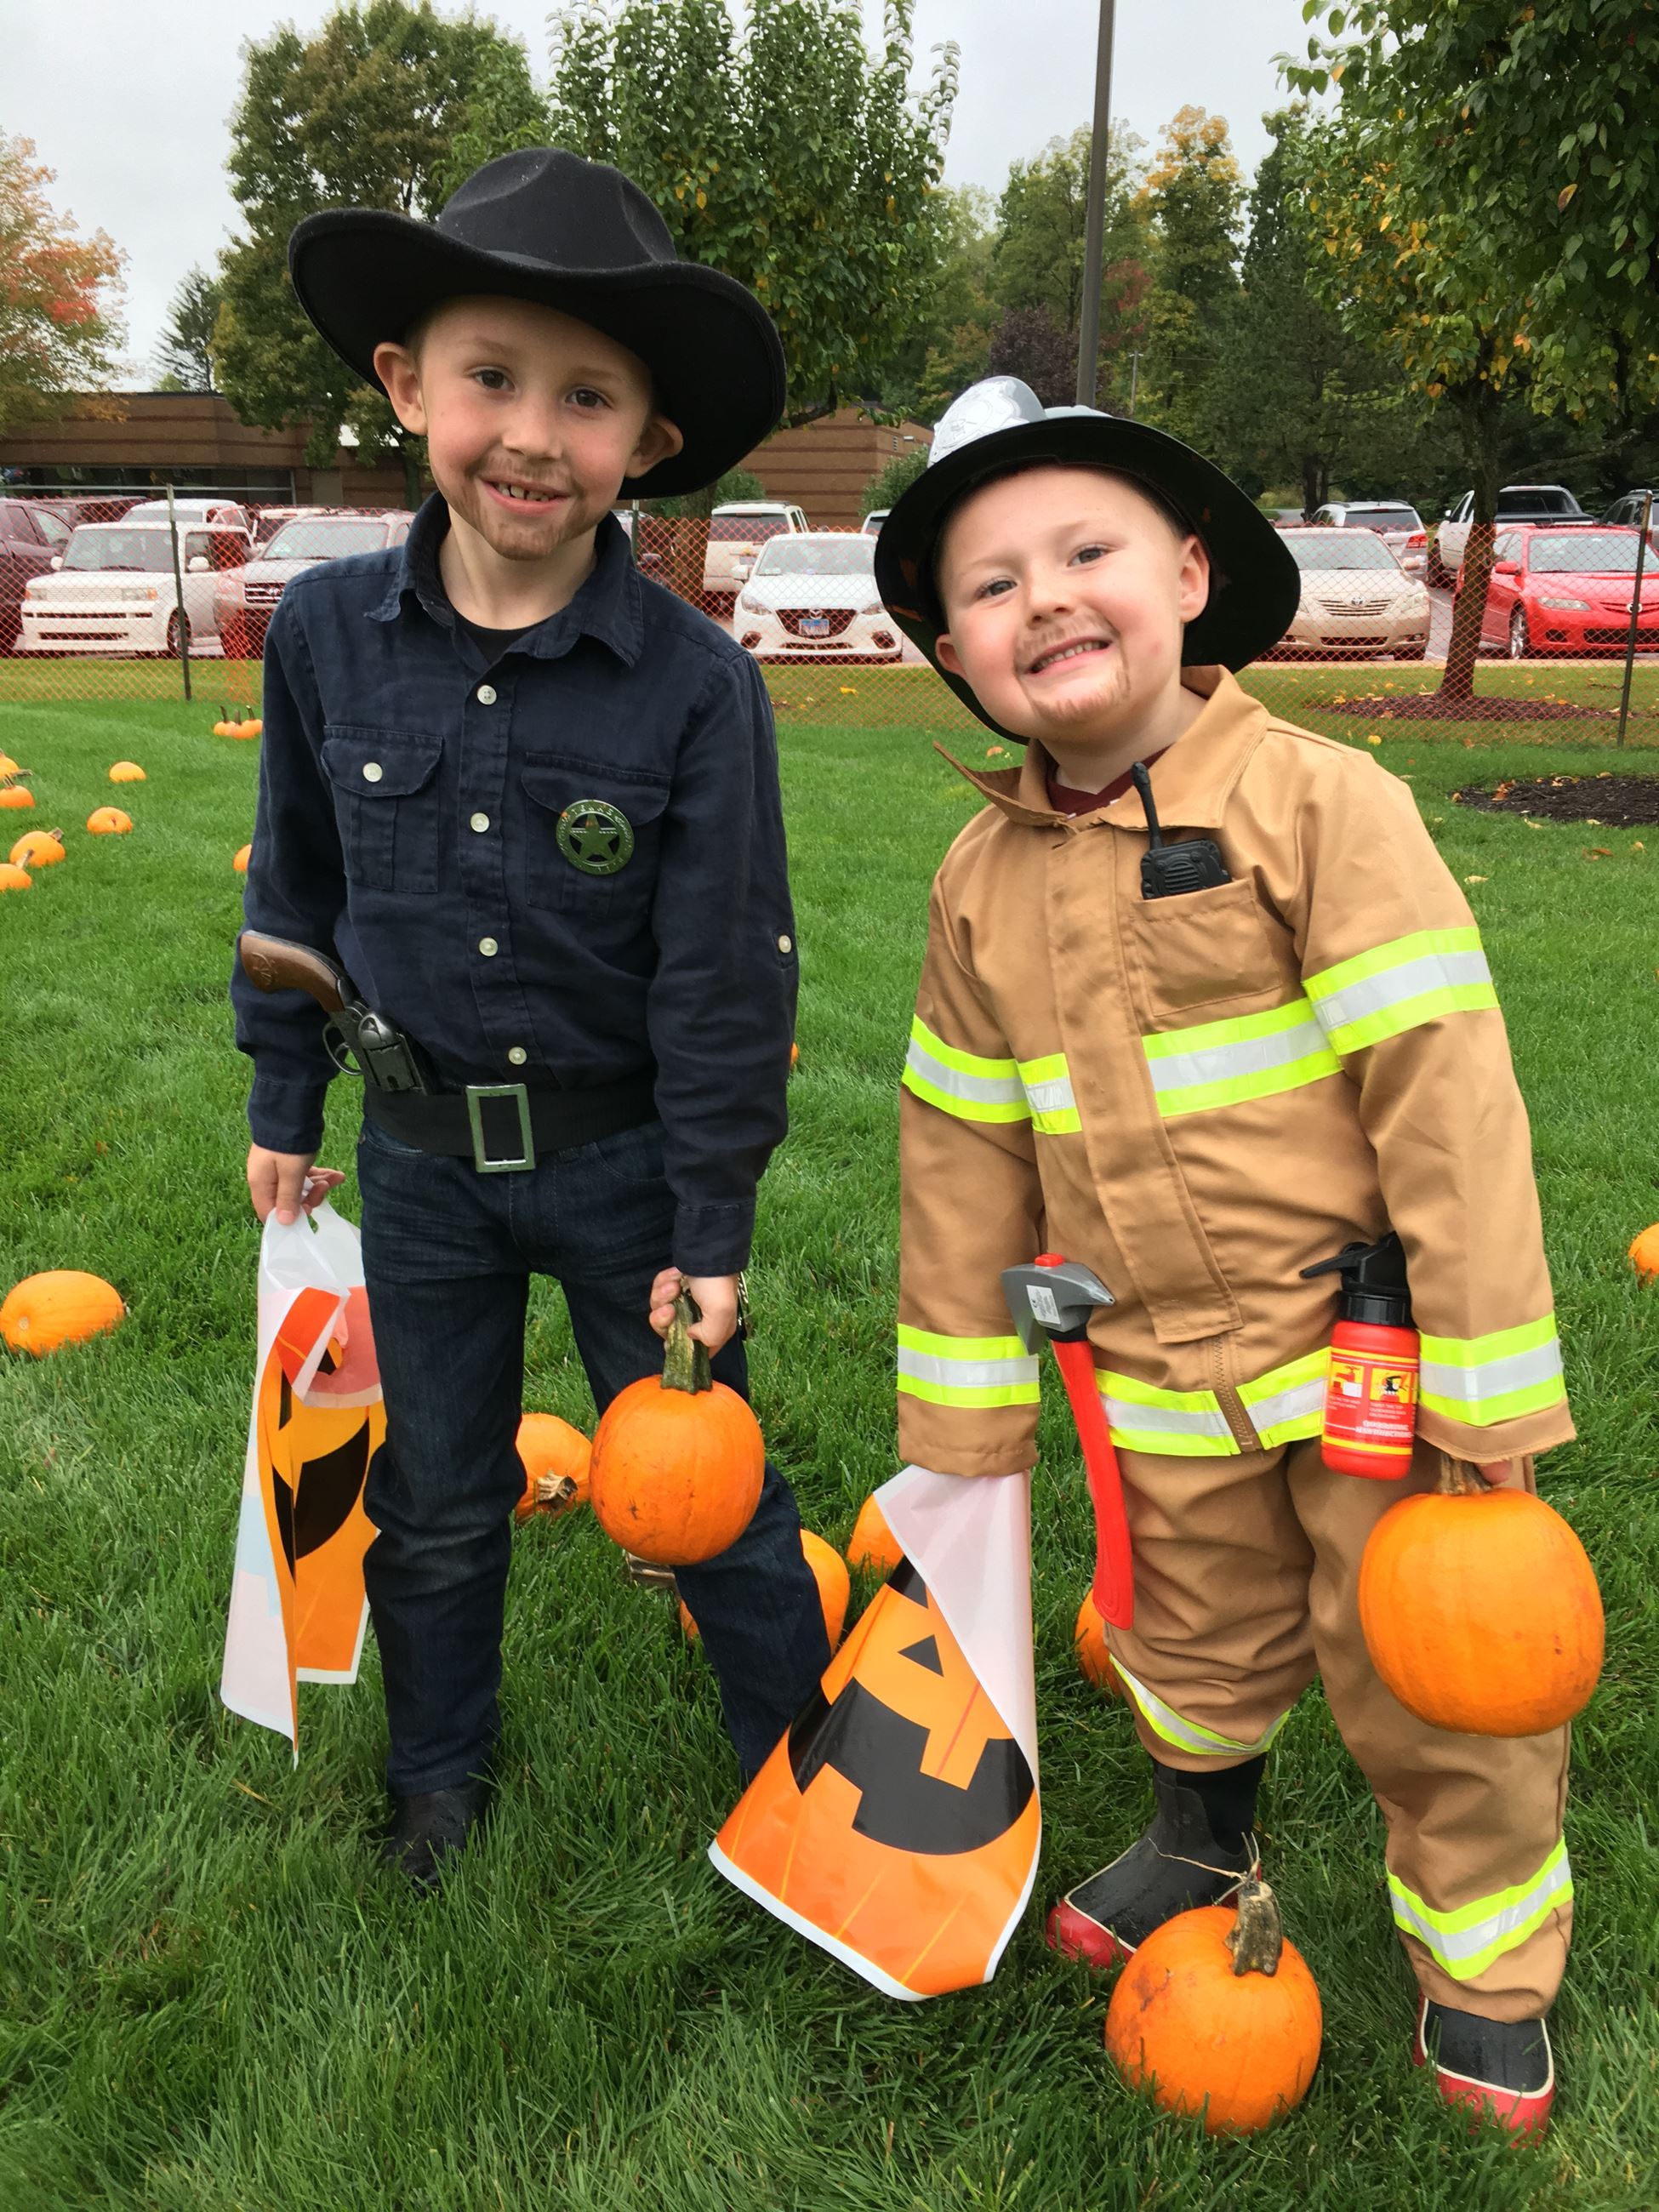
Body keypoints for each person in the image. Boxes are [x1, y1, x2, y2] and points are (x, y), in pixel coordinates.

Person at [872, 377, 1576, 2136]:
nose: (1043, 598)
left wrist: (1485, 1380)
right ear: (953, 650)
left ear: (1189, 574)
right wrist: (962, 1424)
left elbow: (1442, 1086)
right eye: (989, 582)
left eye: (1086, 549)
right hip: (1151, 1370)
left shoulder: (1319, 803)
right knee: (1184, 1638)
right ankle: (1203, 1826)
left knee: (1438, 1674)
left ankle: (1485, 1968)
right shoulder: (977, 883)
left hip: (1372, 1369)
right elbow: (958, 1152)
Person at [231, 149, 830, 1890]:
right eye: (491, 377)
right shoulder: (328, 636)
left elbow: (729, 978)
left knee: (705, 1484)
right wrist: (286, 1101)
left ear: (644, 438)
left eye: (588, 397)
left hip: (626, 1167)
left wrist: (710, 1225)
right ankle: (437, 1784)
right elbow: (296, 887)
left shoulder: (698, 687)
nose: (531, 435)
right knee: (433, 1497)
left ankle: (797, 1784)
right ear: (405, 383)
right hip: (416, 1163)